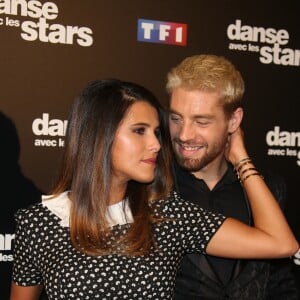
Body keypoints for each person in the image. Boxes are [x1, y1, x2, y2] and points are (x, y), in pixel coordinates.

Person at [10, 79, 298, 300]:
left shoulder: (166, 215)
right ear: (99, 136)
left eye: (157, 132)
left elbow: (281, 243)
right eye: (139, 131)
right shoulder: (37, 223)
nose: (157, 145)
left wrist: (241, 159)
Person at [166, 54, 299, 299]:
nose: (184, 135)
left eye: (201, 122)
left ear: (233, 120)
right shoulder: (152, 188)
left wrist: (241, 160)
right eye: (176, 118)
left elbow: (280, 283)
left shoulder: (268, 188)